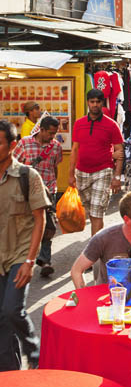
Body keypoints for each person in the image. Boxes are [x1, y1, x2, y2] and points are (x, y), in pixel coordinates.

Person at [0, 119, 49, 370]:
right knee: (1, 322)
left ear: (12, 144)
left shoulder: (27, 176)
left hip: (20, 254)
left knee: (11, 310)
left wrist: (30, 261)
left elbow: (40, 219)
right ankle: (8, 374)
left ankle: (34, 349)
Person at [70, 190, 131, 289]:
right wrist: (85, 299)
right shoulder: (103, 238)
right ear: (127, 220)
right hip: (106, 296)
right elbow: (76, 270)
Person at [69, 89, 124, 236]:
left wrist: (117, 177)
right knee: (89, 211)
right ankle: (99, 242)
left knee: (97, 211)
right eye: (92, 101)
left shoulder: (112, 125)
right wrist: (70, 174)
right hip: (81, 172)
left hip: (103, 171)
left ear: (102, 103)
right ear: (88, 102)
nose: (95, 105)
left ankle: (95, 249)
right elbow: (74, 149)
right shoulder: (79, 124)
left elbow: (120, 152)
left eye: (98, 102)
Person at [13, 115, 62, 277]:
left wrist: (54, 187)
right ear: (41, 130)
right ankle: (22, 260)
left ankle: (45, 260)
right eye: (50, 133)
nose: (52, 137)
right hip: (26, 192)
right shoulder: (24, 143)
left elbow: (54, 168)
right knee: (26, 227)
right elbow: (14, 166)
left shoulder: (55, 146)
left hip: (48, 192)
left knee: (48, 227)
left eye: (54, 133)